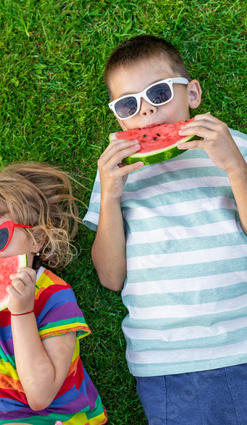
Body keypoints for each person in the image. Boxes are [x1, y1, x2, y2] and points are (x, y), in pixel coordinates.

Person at [83, 35, 247, 424]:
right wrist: (109, 196)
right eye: (129, 104)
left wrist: (235, 167)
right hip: (168, 363)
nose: (147, 114)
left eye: (158, 93)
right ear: (119, 119)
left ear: (192, 93)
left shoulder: (235, 146)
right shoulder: (113, 175)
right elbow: (110, 276)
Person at [0, 162, 108, 425]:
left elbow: (41, 396)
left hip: (54, 418)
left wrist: (22, 312)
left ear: (36, 239)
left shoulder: (53, 294)